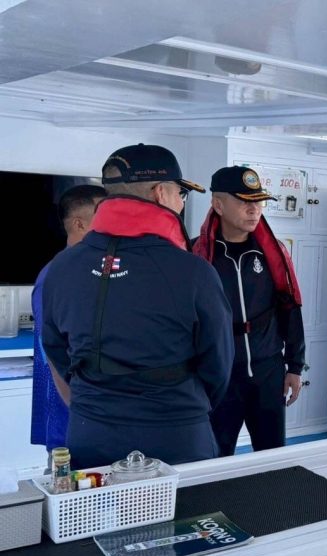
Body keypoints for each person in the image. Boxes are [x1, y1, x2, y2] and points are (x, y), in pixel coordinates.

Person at [40, 144, 233, 469]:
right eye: (180, 193)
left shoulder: (61, 267)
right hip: (176, 433)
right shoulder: (193, 272)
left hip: (91, 432)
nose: (181, 202)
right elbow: (219, 364)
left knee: (97, 506)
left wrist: (95, 397)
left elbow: (55, 347)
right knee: (187, 506)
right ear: (160, 193)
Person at [192, 166, 306, 456]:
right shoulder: (196, 256)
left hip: (268, 372)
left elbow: (290, 307)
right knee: (215, 457)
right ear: (218, 204)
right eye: (244, 201)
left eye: (258, 201)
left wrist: (295, 366)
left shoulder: (273, 253)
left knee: (272, 457)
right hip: (219, 375)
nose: (254, 209)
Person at [31, 184, 106, 458]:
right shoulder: (55, 276)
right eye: (103, 215)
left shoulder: (96, 269)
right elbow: (52, 353)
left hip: (94, 415)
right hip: (69, 418)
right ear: (79, 224)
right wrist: (81, 409)